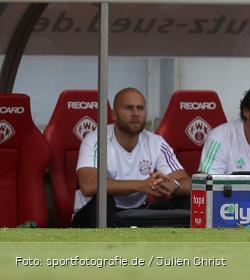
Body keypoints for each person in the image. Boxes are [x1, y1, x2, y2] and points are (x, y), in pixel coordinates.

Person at [71, 88, 190, 228]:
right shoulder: (96, 139)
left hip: (136, 213)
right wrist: (141, 185)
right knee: (103, 202)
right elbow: (89, 185)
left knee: (184, 200)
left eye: (140, 108)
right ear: (114, 114)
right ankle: (107, 248)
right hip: (92, 215)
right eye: (129, 108)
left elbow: (187, 183)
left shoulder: (156, 142)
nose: (135, 114)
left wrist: (173, 185)